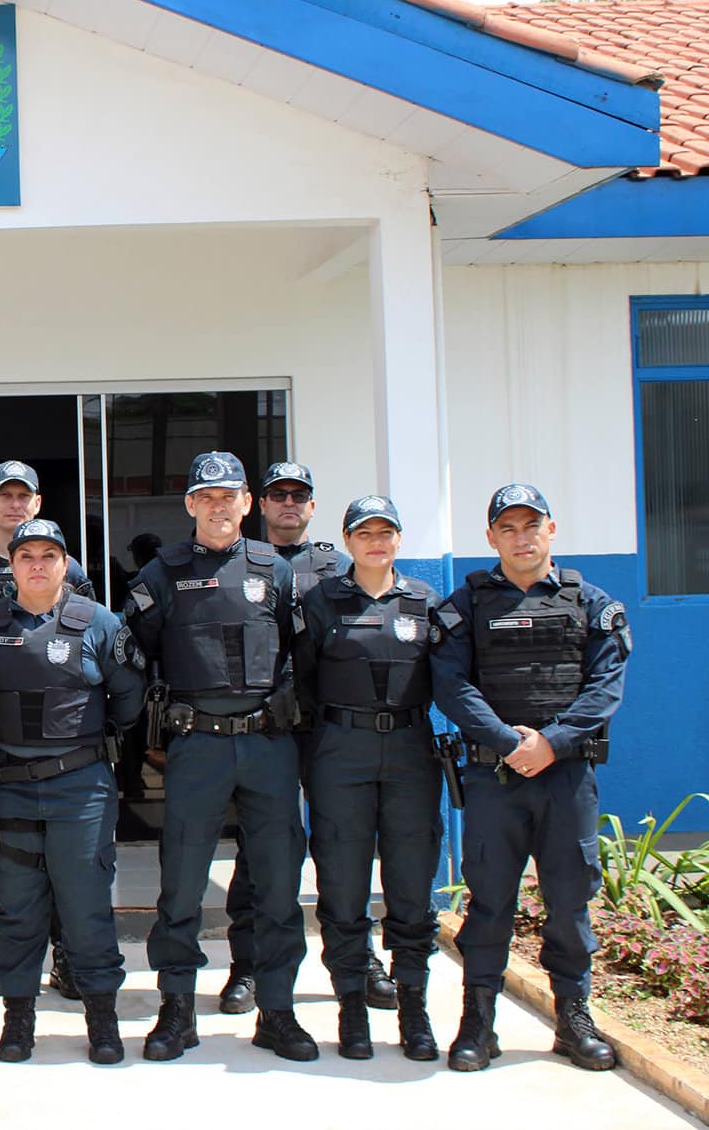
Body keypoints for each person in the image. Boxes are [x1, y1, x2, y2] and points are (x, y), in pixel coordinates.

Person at [126, 451, 317, 1063]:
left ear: (245, 503)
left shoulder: (275, 570)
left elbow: (299, 654)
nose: (216, 505)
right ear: (190, 505)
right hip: (198, 745)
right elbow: (139, 653)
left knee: (279, 884)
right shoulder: (162, 573)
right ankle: (176, 1009)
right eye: (204, 496)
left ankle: (278, 1011)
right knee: (182, 885)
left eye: (228, 495)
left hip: (267, 745)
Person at [432, 484, 628, 1074]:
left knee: (570, 900)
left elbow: (605, 688)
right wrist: (510, 742)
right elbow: (452, 685)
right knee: (490, 901)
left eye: (532, 526)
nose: (522, 538)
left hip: (566, 776)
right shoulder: (463, 606)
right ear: (491, 537)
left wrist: (553, 743)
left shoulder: (591, 603)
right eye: (509, 528)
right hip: (496, 777)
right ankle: (478, 1021)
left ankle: (573, 1019)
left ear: (552, 530)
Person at [217, 463, 396, 1015]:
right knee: (258, 851)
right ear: (259, 504)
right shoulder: (238, 561)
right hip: (265, 727)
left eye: (299, 495)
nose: (288, 504)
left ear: (313, 507)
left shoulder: (337, 566)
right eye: (278, 495)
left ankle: (358, 958)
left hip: (325, 730)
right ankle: (247, 966)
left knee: (343, 848)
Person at [0, 519, 145, 1067]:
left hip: (80, 788)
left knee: (86, 906)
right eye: (27, 556)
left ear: (66, 563)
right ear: (13, 564)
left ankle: (101, 1016)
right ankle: (18, 1016)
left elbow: (130, 699)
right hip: (8, 789)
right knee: (19, 912)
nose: (38, 565)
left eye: (50, 555)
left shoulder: (98, 623)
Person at [294, 496, 443, 1062]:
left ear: (399, 540)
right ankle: (351, 1006)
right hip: (341, 752)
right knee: (342, 884)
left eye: (385, 533)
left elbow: (447, 678)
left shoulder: (425, 602)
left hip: (409, 752)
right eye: (364, 533)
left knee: (410, 884)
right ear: (348, 540)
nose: (375, 542)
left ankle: (413, 1007)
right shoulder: (320, 601)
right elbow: (303, 679)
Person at [0, 459, 92, 1001]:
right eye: (3, 495)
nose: (13, 504)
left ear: (37, 503)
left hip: (52, 741)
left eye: (23, 495)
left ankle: (66, 960)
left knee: (52, 864)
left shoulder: (67, 571)